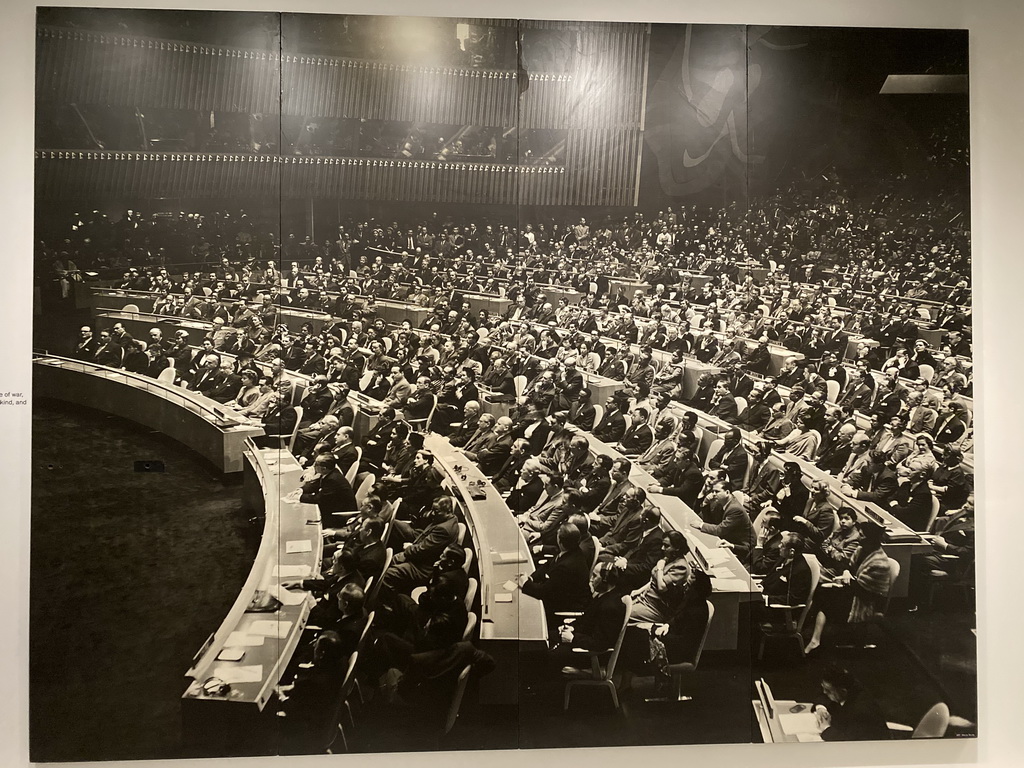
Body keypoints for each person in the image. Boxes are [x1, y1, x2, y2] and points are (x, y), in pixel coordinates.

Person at [804, 521, 892, 654]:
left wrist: (844, 582)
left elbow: (867, 592)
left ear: (870, 538)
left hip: (865, 602)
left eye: (861, 535)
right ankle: (812, 636)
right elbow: (847, 565)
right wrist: (846, 572)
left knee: (824, 597)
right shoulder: (861, 549)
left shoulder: (879, 563)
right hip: (855, 591)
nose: (858, 537)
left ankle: (813, 638)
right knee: (822, 592)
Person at [521, 522, 593, 621]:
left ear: (559, 541)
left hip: (563, 608)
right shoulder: (572, 550)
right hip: (558, 595)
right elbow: (548, 565)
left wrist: (525, 583)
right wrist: (532, 577)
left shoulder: (566, 567)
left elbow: (543, 592)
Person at [813, 664, 891, 741]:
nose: (824, 692)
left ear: (843, 691)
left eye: (828, 690)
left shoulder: (861, 711)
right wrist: (821, 708)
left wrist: (826, 729)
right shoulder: (844, 691)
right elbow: (822, 696)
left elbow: (849, 742)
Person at [628, 531, 692, 624]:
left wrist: (660, 568)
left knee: (622, 614)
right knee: (617, 607)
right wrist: (639, 591)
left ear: (677, 548)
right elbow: (653, 580)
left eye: (667, 546)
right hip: (645, 598)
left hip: (656, 608)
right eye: (663, 545)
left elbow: (661, 587)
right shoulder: (668, 558)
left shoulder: (681, 567)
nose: (662, 548)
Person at [296, 454, 357, 519]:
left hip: (339, 516)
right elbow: (316, 485)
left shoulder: (333, 479)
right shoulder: (330, 472)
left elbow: (319, 499)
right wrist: (301, 490)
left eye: (316, 464)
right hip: (332, 508)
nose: (314, 466)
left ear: (323, 468)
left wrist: (299, 497)